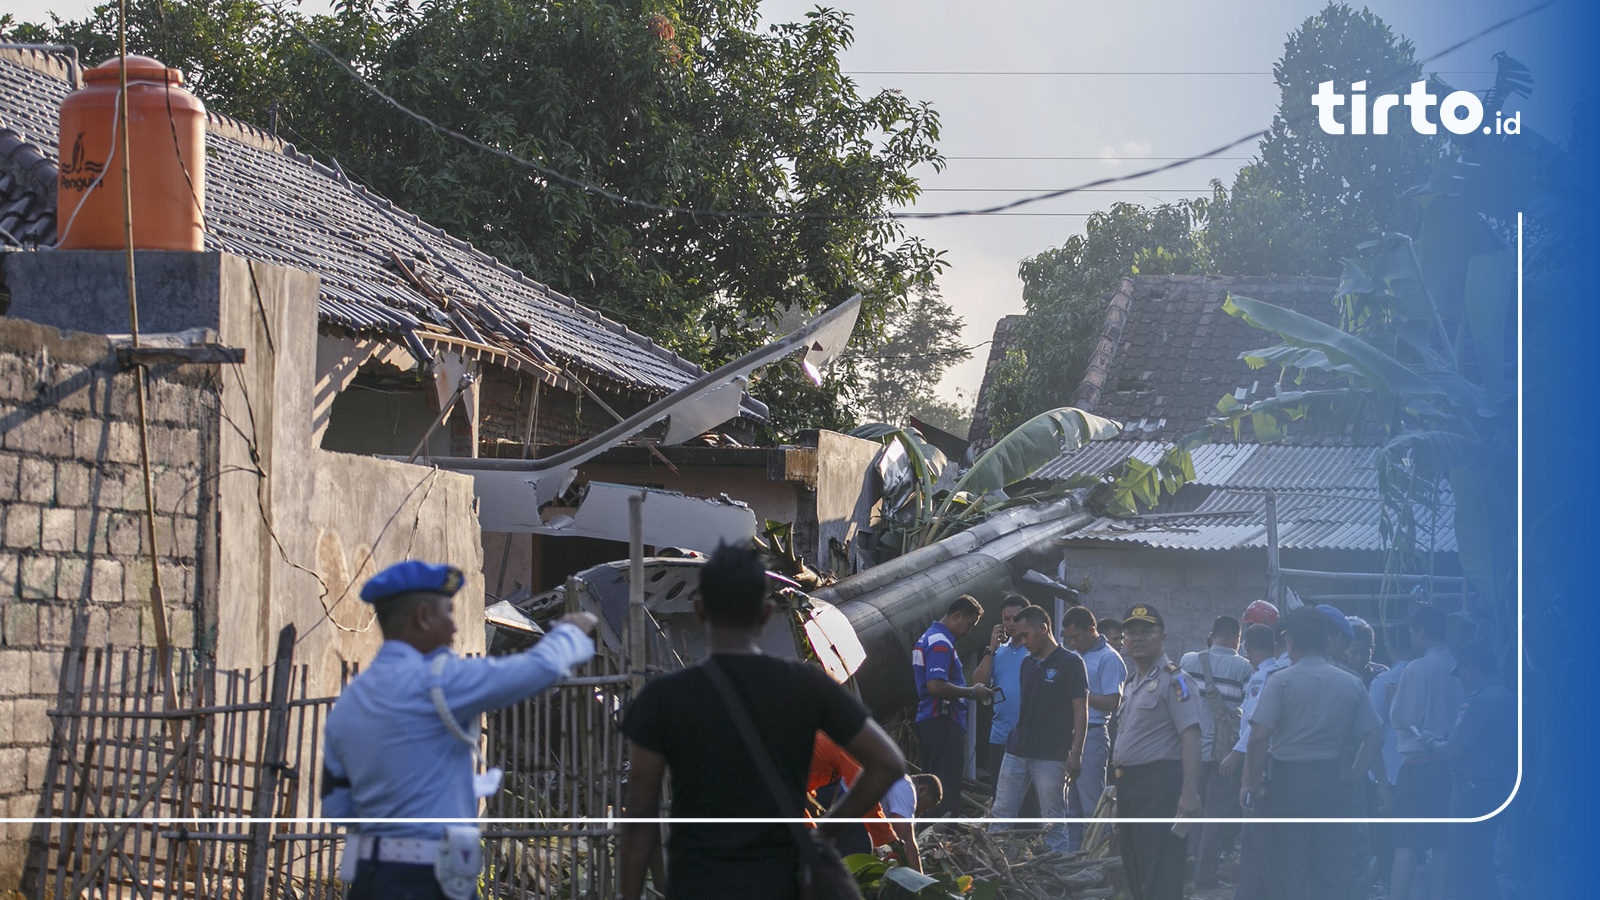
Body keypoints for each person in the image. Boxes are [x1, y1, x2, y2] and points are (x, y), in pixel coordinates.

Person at [618, 544, 905, 900]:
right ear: (766, 612)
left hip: (701, 882)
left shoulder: (663, 697)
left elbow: (640, 815)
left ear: (699, 611)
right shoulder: (807, 685)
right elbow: (888, 763)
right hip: (782, 881)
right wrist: (827, 829)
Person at [322, 560, 599, 900]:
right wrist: (571, 631)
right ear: (423, 616)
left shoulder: (351, 700)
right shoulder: (437, 680)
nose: (454, 628)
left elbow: (336, 802)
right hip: (430, 878)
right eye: (448, 613)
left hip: (369, 876)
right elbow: (538, 669)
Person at [1241, 607, 1383, 900]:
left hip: (1286, 785)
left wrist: (1253, 786)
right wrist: (1354, 778)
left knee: (1288, 870)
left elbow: (1258, 739)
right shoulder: (1350, 682)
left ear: (1291, 642)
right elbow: (1375, 737)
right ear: (1326, 641)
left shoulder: (1280, 681)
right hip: (1332, 783)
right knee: (1331, 872)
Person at [1110, 603, 1202, 900]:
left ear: (1162, 636)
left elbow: (1190, 735)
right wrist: (1116, 791)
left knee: (1158, 870)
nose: (1137, 638)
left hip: (1159, 786)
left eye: (1146, 631)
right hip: (1130, 787)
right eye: (1130, 632)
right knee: (1135, 868)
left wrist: (1190, 792)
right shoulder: (1132, 682)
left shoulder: (1175, 680)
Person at [988, 605, 1088, 852]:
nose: (1022, 641)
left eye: (1025, 635)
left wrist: (1076, 754)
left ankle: (1058, 874)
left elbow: (1080, 710)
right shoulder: (1027, 664)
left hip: (1051, 755)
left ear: (1043, 628)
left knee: (1053, 820)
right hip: (1016, 750)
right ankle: (995, 868)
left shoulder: (1072, 663)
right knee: (1001, 813)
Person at [1428, 640, 1514, 900]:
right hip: (1497, 787)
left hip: (1471, 790)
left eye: (1461, 674)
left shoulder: (1478, 703)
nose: (1461, 681)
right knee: (1482, 862)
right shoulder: (1507, 697)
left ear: (1471, 669)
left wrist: (1430, 743)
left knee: (1465, 864)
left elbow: (1454, 751)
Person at [1389, 605, 1462, 900]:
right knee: (1442, 842)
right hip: (1453, 765)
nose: (1410, 637)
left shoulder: (1417, 668)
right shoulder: (1459, 664)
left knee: (1406, 842)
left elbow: (1401, 717)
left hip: (1420, 764)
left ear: (1421, 632)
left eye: (1411, 631)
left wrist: (1394, 699)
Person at [1179, 615, 1254, 887]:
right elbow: (1251, 715)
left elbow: (1178, 698)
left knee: (1186, 807)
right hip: (1225, 753)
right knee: (1214, 815)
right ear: (1238, 638)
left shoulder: (1187, 660)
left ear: (1211, 635)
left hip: (1190, 749)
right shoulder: (1244, 668)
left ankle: (1181, 862)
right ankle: (1204, 876)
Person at [912, 595, 993, 817]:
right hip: (943, 721)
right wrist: (972, 692)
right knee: (944, 787)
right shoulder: (940, 642)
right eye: (969, 625)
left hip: (932, 720)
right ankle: (942, 834)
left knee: (931, 784)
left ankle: (930, 833)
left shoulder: (928, 637)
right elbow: (936, 686)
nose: (969, 631)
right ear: (956, 616)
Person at [1221, 622, 1283, 900]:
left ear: (1249, 647)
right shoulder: (1274, 672)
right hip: (1266, 758)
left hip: (1257, 759)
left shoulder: (1265, 676)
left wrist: (1236, 753)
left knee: (1255, 831)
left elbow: (1255, 725)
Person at [1058, 605, 1126, 852]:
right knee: (1070, 809)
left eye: (1076, 637)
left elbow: (1112, 701)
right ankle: (1075, 862)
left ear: (1091, 630)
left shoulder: (1109, 658)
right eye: (1069, 638)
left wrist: (1078, 695)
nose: (1073, 643)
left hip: (1094, 735)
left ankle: (1101, 864)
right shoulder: (1076, 655)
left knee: (1093, 809)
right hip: (1070, 736)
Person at [970, 595, 1032, 792]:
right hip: (1000, 736)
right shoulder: (999, 652)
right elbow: (978, 683)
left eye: (1016, 618)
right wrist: (991, 649)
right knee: (1000, 794)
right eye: (1006, 619)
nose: (1011, 623)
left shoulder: (1035, 651)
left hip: (1029, 737)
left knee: (1028, 803)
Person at [880, 773, 942, 872]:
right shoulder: (906, 787)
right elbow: (905, 838)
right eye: (925, 806)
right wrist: (920, 882)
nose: (920, 813)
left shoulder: (896, 780)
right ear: (922, 790)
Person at [1346, 617, 1389, 687]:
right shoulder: (1337, 674)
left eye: (1364, 653)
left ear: (1373, 649)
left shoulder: (1382, 673)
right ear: (1346, 650)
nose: (1359, 658)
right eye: (1355, 653)